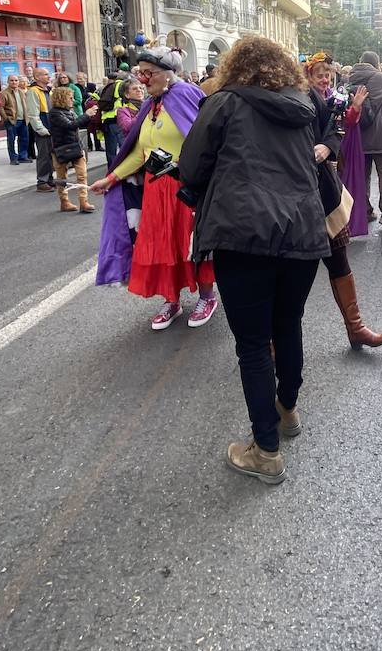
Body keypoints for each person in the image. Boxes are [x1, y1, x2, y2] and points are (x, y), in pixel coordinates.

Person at [177, 38, 330, 485]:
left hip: (242, 233)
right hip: (302, 230)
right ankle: (287, 410)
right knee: (289, 324)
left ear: (234, 67)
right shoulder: (303, 105)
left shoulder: (222, 103)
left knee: (252, 344)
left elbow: (191, 169)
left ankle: (265, 449)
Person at [92, 46, 217, 331]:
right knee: (161, 245)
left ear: (167, 74)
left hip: (185, 188)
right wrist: (111, 178)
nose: (143, 80)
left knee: (191, 244)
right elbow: (139, 152)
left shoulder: (186, 95)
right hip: (155, 189)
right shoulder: (150, 105)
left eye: (148, 73)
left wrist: (183, 166)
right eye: (140, 73)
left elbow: (204, 143)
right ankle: (171, 299)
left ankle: (207, 297)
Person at [302, 54, 382, 350]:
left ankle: (356, 327)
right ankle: (279, 341)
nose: (325, 78)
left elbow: (338, 129)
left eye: (328, 74)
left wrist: (331, 141)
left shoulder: (331, 98)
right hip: (297, 196)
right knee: (294, 271)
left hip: (326, 186)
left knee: (339, 257)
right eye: (319, 74)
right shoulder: (297, 97)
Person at [345, 50, 382, 230]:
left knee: (362, 176)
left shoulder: (350, 78)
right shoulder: (379, 77)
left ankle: (365, 211)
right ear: (376, 63)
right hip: (380, 135)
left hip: (358, 136)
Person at [47, 86, 97, 214]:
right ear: (62, 98)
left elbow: (78, 124)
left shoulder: (70, 111)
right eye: (70, 97)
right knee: (62, 177)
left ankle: (83, 202)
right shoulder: (54, 113)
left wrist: (89, 116)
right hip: (61, 148)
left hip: (75, 146)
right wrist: (86, 114)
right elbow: (70, 125)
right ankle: (64, 202)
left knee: (82, 175)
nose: (73, 100)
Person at [25, 67, 55, 192]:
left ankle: (49, 179)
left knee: (50, 154)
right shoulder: (33, 91)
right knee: (43, 155)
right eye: (45, 74)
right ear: (37, 77)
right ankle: (42, 181)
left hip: (49, 125)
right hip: (43, 126)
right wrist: (40, 129)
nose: (49, 77)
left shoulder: (47, 90)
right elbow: (33, 113)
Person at [0, 75, 29, 165]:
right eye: (12, 80)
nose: (14, 82)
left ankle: (22, 157)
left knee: (24, 139)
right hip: (12, 120)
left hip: (23, 119)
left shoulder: (21, 92)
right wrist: (6, 118)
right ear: (8, 81)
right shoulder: (4, 93)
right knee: (11, 140)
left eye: (16, 80)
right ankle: (13, 158)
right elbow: (0, 107)